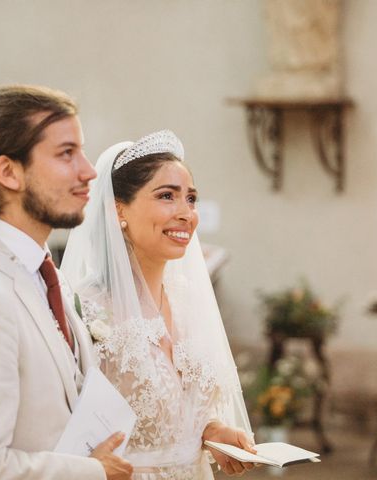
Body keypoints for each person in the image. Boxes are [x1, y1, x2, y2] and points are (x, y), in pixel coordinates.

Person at [0, 85, 133, 479]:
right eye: (66, 153)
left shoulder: (46, 276)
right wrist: (92, 472)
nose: (88, 171)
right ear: (8, 172)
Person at [62, 131, 256, 479]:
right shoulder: (85, 310)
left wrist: (211, 431)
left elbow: (182, 414)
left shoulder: (189, 301)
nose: (186, 213)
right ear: (118, 209)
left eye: (191, 198)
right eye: (167, 196)